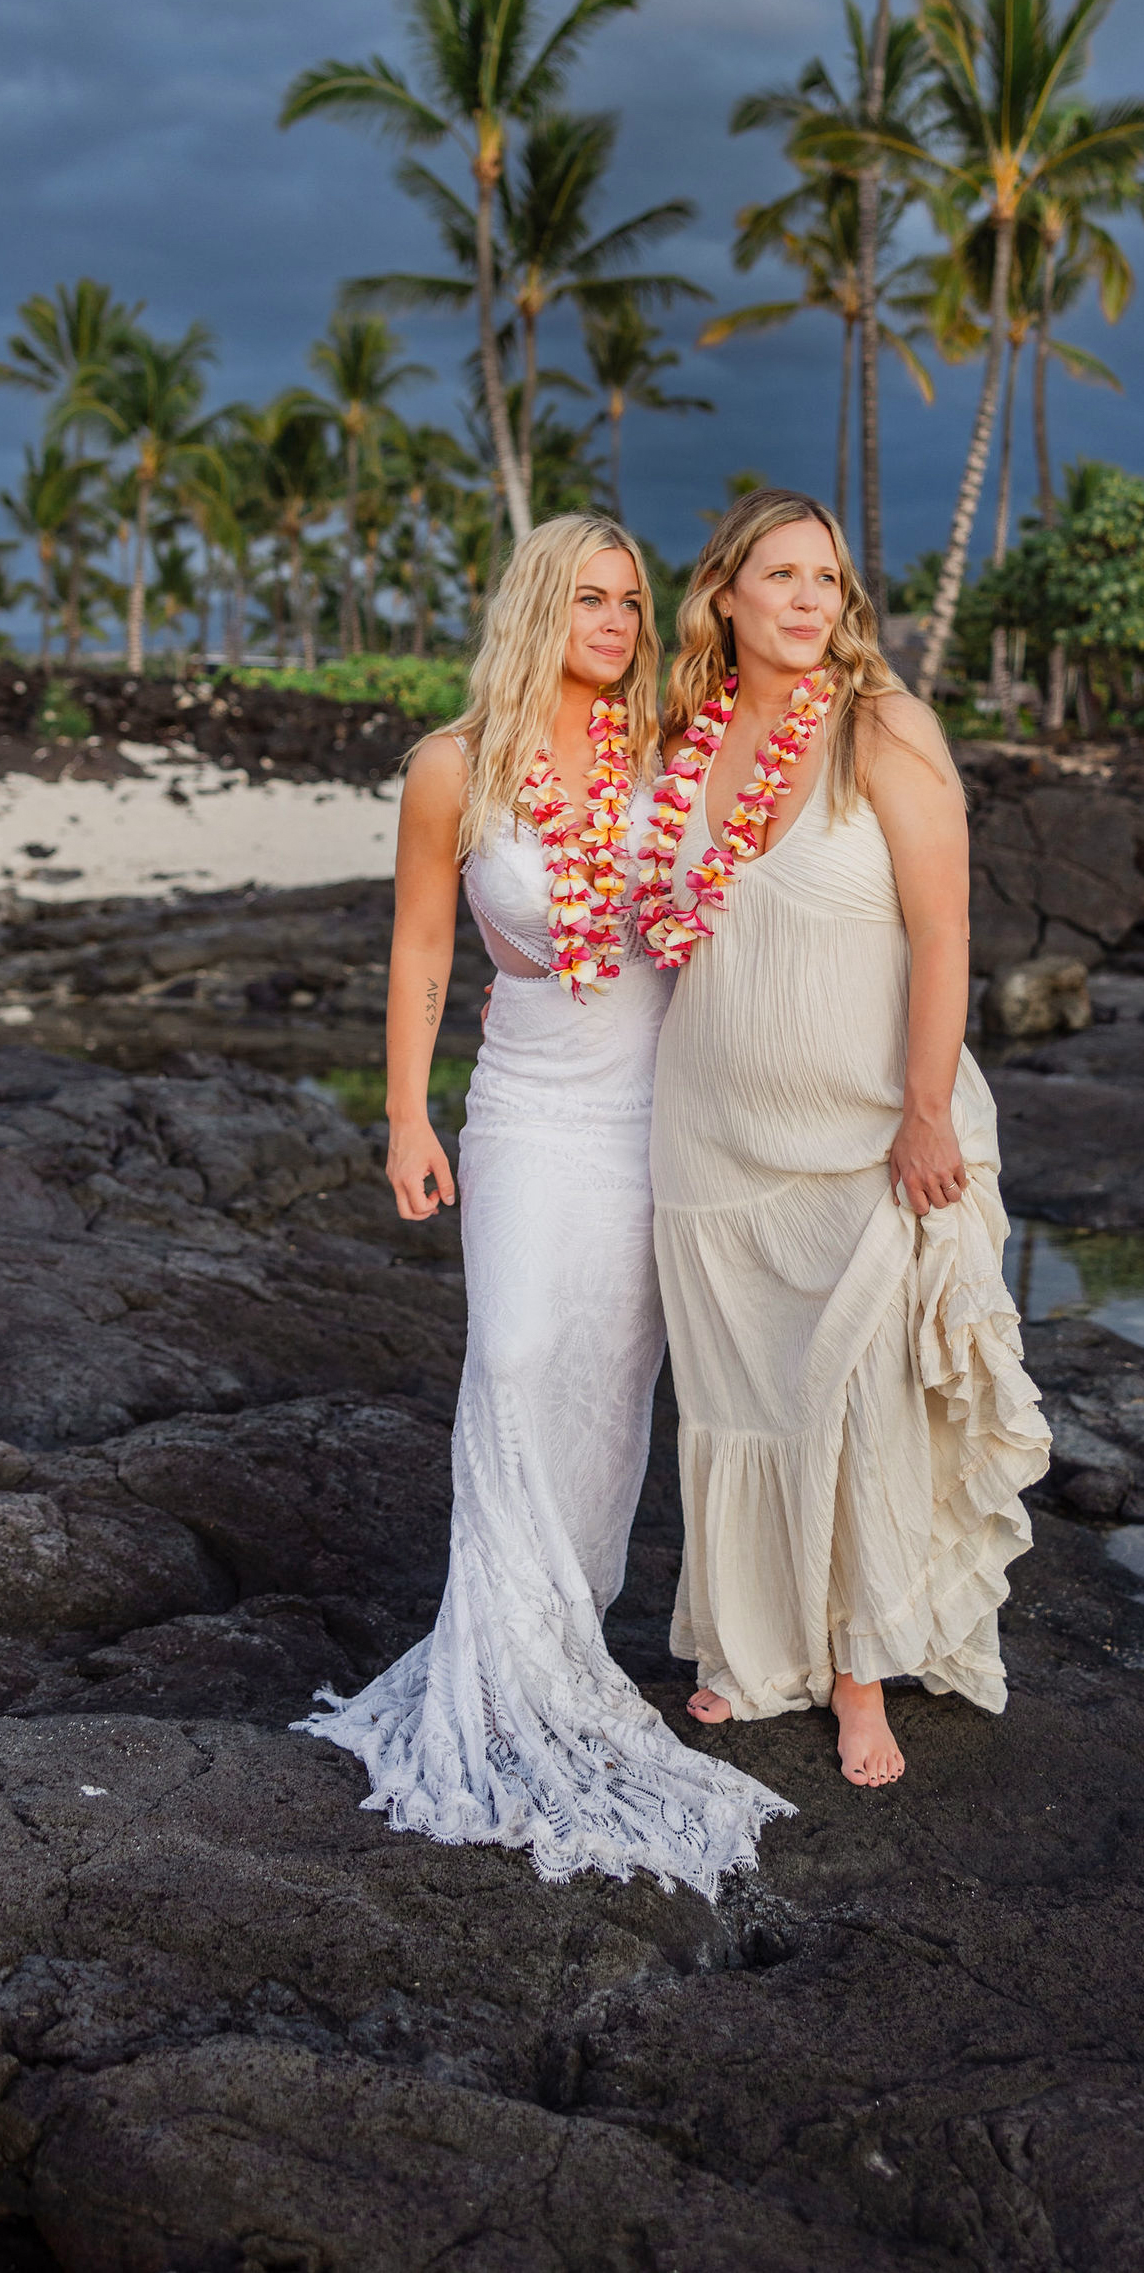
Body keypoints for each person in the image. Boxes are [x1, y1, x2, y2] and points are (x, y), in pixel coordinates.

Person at [300, 512, 788, 1893]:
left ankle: (564, 1645)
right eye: (588, 600)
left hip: (661, 1119)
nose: (616, 624)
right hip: (524, 1108)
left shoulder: (673, 758)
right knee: (514, 1354)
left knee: (609, 1386)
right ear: (534, 609)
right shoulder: (454, 768)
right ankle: (495, 1662)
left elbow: (758, 885)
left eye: (630, 602)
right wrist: (405, 1113)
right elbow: (420, 945)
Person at [638, 488, 1050, 1790]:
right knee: (738, 1398)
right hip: (711, 1134)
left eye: (828, 578)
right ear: (724, 596)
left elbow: (945, 928)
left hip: (867, 1132)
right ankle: (749, 1644)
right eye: (782, 576)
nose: (811, 599)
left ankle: (861, 1672)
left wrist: (926, 1109)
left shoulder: (882, 724)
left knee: (857, 1399)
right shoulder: (684, 742)